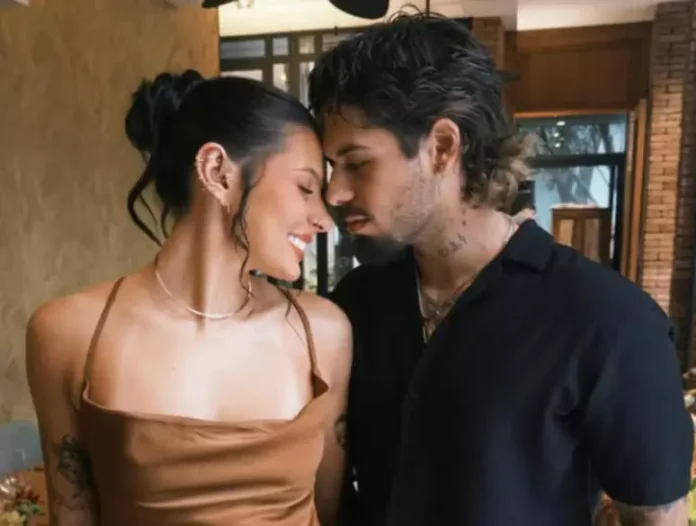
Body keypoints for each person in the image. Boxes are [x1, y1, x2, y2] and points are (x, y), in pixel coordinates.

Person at [308, 12, 693, 526]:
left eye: (357, 163)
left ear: (442, 147)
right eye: (330, 167)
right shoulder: (355, 304)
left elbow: (654, 518)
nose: (334, 192)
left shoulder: (610, 322)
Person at [26, 71, 352, 526]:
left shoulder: (323, 333)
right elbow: (72, 516)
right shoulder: (68, 333)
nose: (323, 219)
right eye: (305, 188)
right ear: (217, 171)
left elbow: (329, 510)